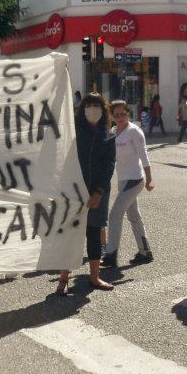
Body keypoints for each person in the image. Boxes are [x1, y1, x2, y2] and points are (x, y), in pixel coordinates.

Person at [58, 94, 116, 294]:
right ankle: (63, 278)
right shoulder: (73, 133)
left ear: (104, 110)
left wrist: (99, 192)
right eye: (89, 105)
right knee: (70, 234)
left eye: (97, 106)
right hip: (73, 191)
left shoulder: (109, 135)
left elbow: (109, 166)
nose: (93, 110)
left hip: (98, 192)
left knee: (93, 233)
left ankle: (94, 277)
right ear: (82, 109)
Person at [102, 100, 154, 267]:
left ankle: (111, 254)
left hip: (135, 180)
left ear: (128, 113)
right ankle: (145, 252)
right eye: (116, 115)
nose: (120, 117)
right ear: (112, 116)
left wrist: (149, 178)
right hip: (122, 180)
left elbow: (144, 155)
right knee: (134, 216)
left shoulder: (134, 131)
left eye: (123, 114)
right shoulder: (113, 131)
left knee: (114, 214)